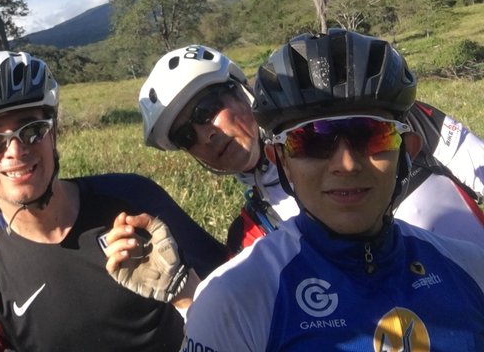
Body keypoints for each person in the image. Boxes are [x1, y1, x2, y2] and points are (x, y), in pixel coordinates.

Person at [183, 29, 484, 350]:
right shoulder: (232, 302)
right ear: (282, 161)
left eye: (372, 135)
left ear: (406, 151)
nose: (346, 164)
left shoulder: (471, 267)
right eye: (312, 140)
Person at [0, 51, 229, 352]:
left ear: (54, 135)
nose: (15, 150)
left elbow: (241, 299)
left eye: (32, 131)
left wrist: (184, 290)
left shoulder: (134, 199)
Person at [139, 41, 484, 253]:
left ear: (241, 90)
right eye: (186, 136)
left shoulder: (386, 121)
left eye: (207, 111)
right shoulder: (253, 231)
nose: (204, 135)